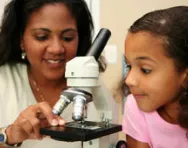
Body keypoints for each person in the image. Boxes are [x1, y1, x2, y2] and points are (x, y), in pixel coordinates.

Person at [0, 0, 106, 147]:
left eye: (67, 37)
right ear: (21, 40)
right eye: (42, 36)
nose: (56, 49)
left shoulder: (95, 88)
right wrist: (10, 135)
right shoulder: (4, 81)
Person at [122, 6, 188, 148]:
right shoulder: (135, 106)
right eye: (128, 66)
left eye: (145, 70)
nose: (129, 80)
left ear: (185, 74)